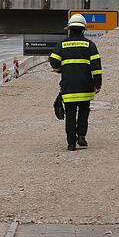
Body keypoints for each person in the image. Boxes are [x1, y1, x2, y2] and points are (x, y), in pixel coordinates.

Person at [48, 14, 103, 151]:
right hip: (85, 86)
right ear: (83, 30)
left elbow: (54, 61)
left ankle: (71, 143)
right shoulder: (90, 45)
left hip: (69, 87)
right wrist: (98, 84)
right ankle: (81, 136)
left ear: (69, 29)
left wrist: (60, 69)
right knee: (84, 112)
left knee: (70, 115)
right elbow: (96, 67)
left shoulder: (62, 44)